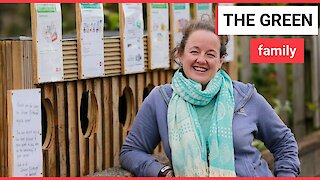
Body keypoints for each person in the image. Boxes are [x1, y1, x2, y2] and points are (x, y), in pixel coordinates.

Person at [120, 20, 300, 177]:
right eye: (194, 51)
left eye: (210, 54)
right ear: (181, 55)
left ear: (221, 60)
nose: (201, 59)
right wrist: (161, 172)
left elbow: (283, 141)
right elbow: (131, 151)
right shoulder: (161, 100)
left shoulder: (245, 97)